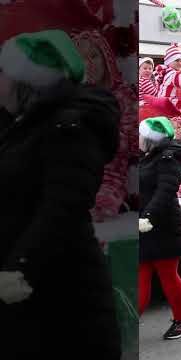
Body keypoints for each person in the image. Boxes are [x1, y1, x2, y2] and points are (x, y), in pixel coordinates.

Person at [0, 30, 121, 358]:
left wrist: (20, 265)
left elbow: (64, 204)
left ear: (26, 80)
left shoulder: (69, 126)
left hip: (59, 295)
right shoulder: (19, 125)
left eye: (3, 73)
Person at [73, 30, 138, 221]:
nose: (89, 64)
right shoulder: (73, 96)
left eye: (94, 56)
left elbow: (132, 143)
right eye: (82, 59)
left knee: (95, 212)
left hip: (109, 175)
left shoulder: (123, 95)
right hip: (72, 170)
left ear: (106, 59)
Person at [138, 117, 181, 340]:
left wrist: (148, 216)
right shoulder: (147, 156)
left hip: (163, 226)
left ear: (150, 139)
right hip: (143, 225)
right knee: (139, 277)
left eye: (140, 135)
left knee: (168, 275)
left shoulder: (168, 158)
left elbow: (166, 191)